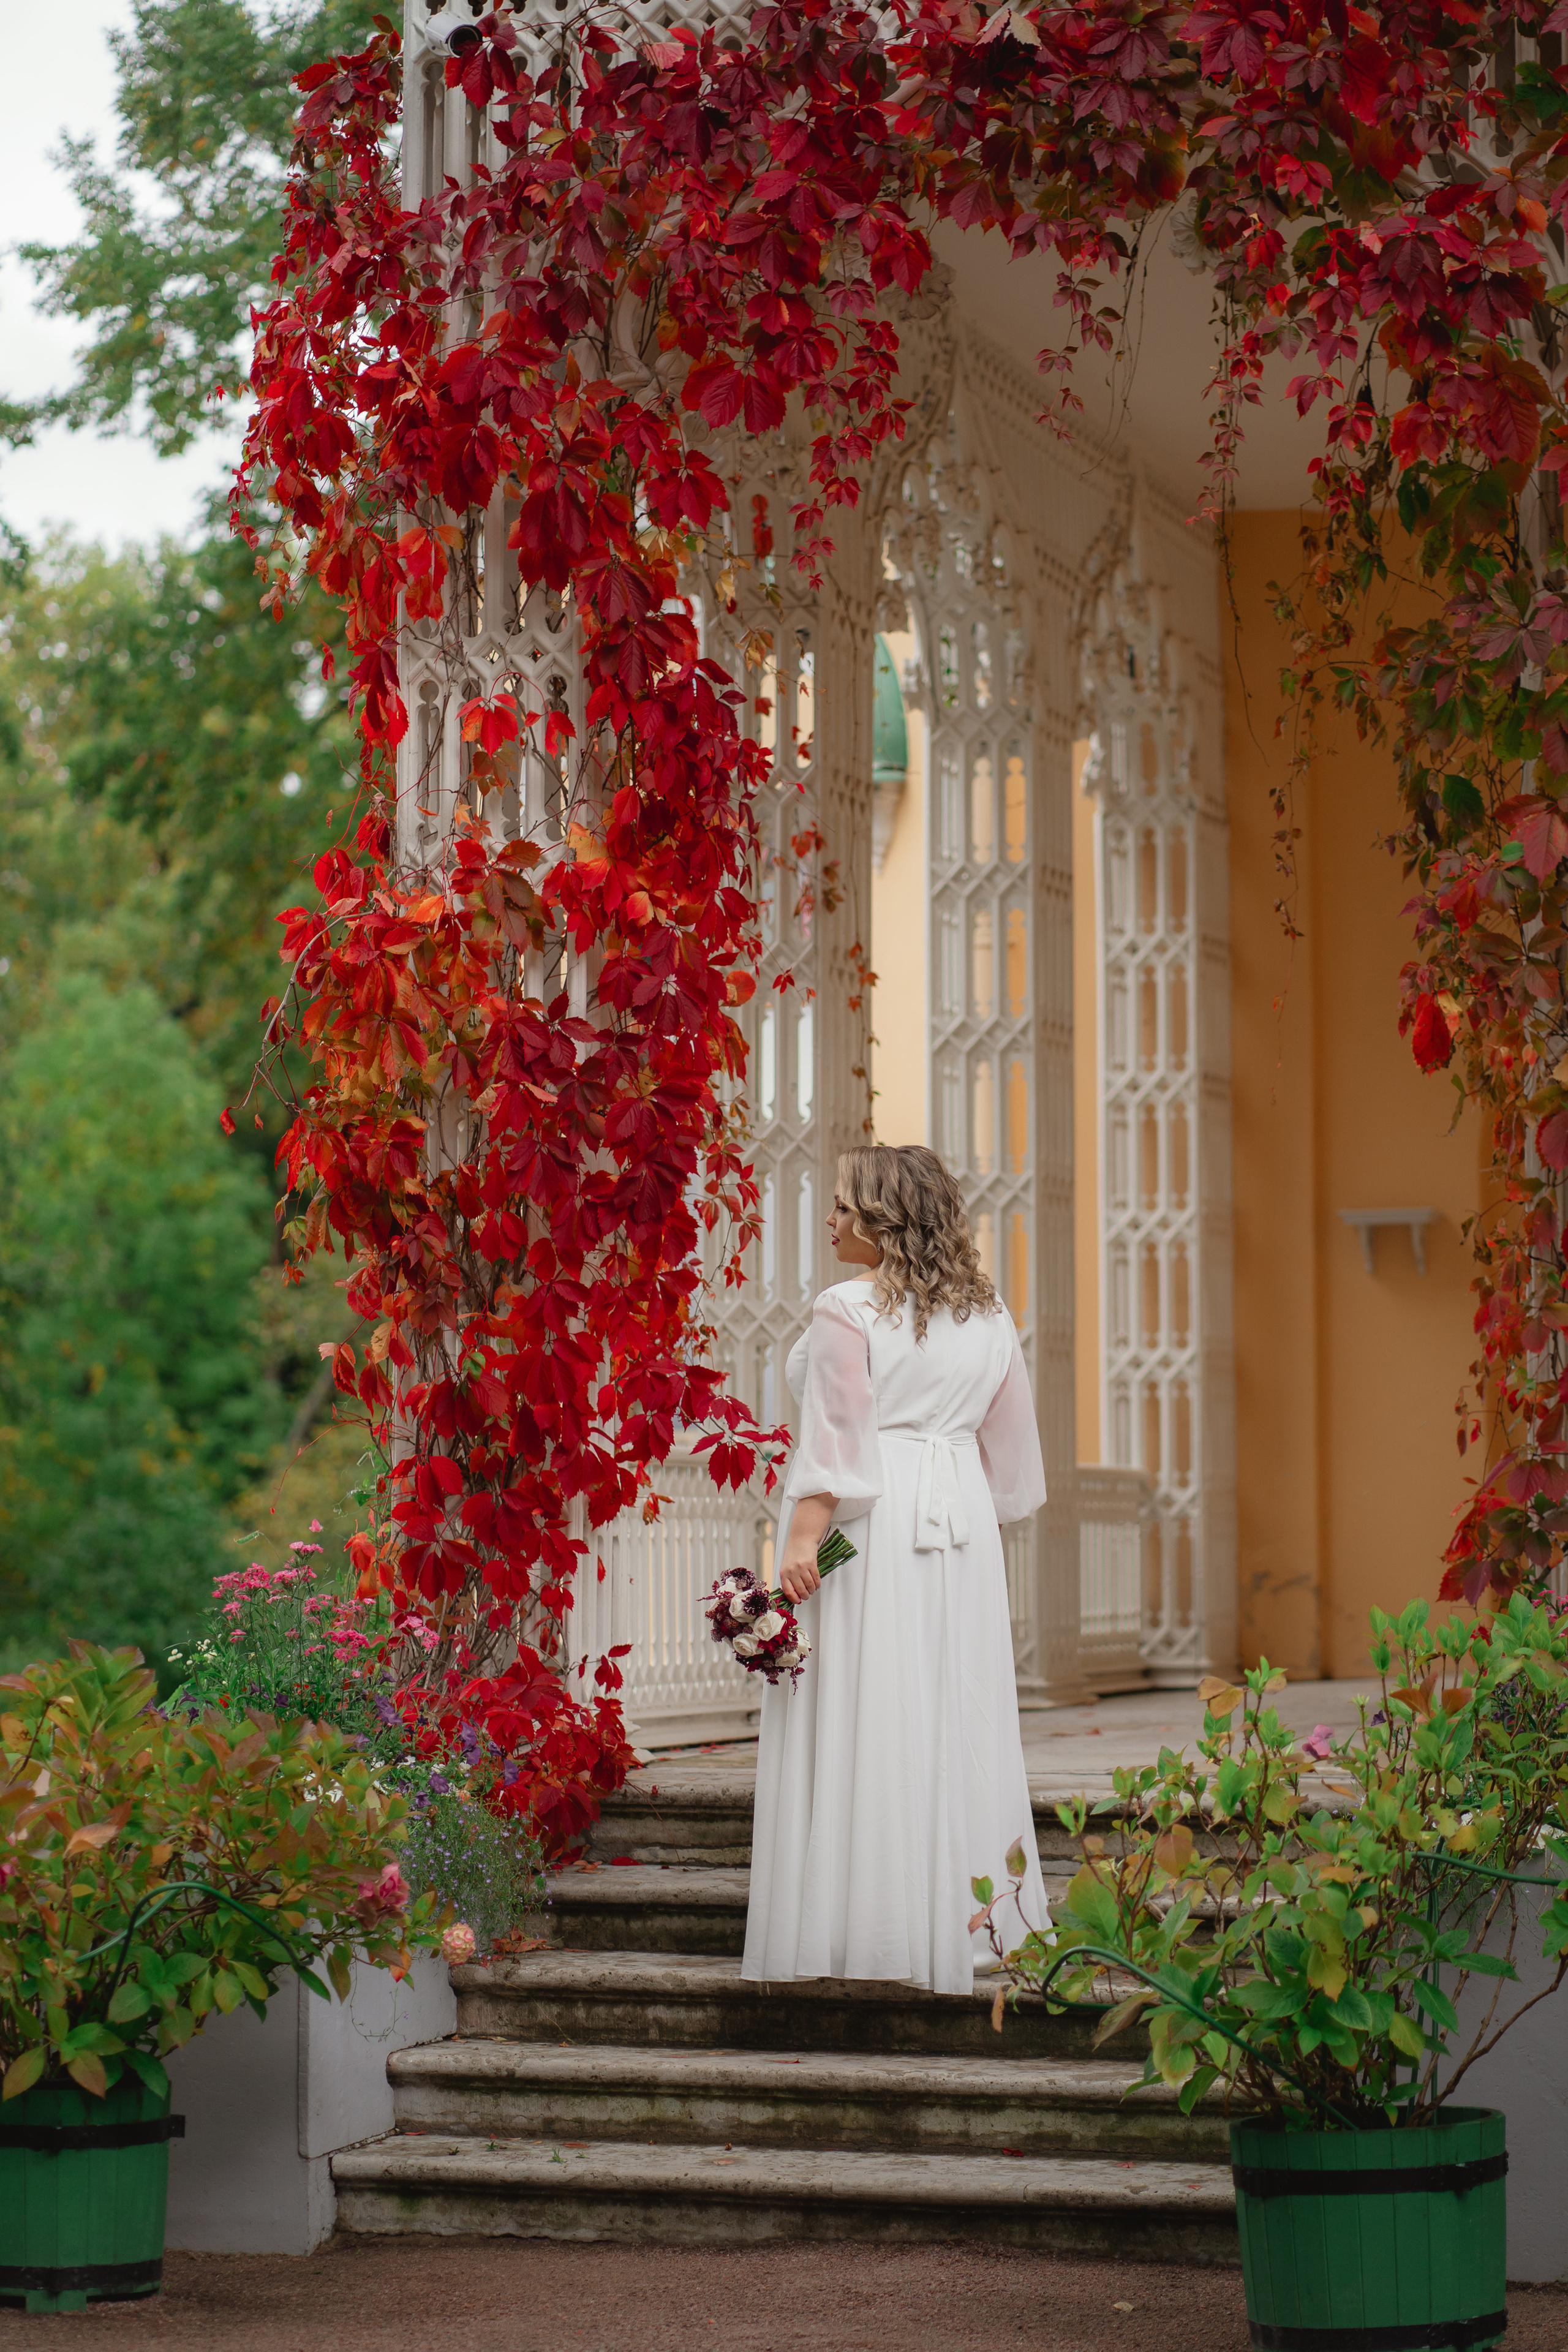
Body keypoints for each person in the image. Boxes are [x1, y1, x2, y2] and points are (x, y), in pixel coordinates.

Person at [742, 1142, 1052, 1998]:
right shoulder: (989, 1315)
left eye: (844, 1205)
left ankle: (867, 1923)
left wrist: (802, 1541)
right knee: (957, 1707)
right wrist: (958, 1499)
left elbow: (837, 1438)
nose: (831, 1218)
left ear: (883, 1220)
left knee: (871, 1702)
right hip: (960, 1526)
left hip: (874, 1521)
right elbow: (1010, 1456)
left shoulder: (847, 1307)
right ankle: (974, 1919)